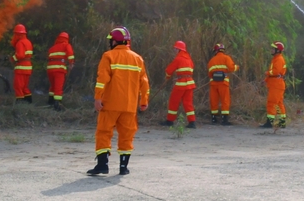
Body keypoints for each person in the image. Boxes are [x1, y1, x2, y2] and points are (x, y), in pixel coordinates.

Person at [88, 26, 149, 176]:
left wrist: (97, 98)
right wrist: (144, 101)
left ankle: (102, 165)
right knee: (127, 135)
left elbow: (102, 79)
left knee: (103, 132)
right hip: (129, 106)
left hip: (110, 104)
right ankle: (123, 167)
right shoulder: (138, 58)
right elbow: (145, 82)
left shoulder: (108, 56)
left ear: (114, 41)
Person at [163, 40, 196, 128]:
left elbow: (169, 70)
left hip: (181, 84)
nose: (174, 51)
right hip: (190, 84)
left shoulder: (178, 59)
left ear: (179, 50)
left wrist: (167, 77)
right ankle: (192, 122)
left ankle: (170, 121)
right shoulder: (189, 59)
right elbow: (190, 70)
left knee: (174, 101)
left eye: (175, 49)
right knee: (188, 103)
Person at [207, 43, 238, 125]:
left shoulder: (212, 60)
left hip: (213, 84)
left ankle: (214, 118)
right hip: (223, 83)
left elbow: (210, 74)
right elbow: (231, 68)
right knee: (225, 100)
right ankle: (224, 119)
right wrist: (236, 67)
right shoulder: (226, 58)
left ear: (216, 51)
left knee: (214, 101)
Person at [46, 32, 75, 110]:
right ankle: (57, 105)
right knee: (58, 87)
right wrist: (71, 63)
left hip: (50, 69)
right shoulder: (66, 45)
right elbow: (70, 54)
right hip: (59, 69)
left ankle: (50, 101)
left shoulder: (52, 48)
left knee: (53, 86)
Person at [262, 42, 288, 129]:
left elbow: (276, 72)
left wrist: (267, 72)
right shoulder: (276, 59)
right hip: (276, 84)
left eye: (273, 49)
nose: (271, 50)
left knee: (272, 103)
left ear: (277, 50)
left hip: (276, 85)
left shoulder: (279, 59)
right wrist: (266, 80)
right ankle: (282, 122)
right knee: (279, 103)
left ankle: (269, 122)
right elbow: (273, 74)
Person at [10, 24, 34, 103]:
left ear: (17, 34)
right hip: (28, 67)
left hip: (21, 68)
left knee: (18, 86)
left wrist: (13, 59)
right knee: (24, 87)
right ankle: (28, 102)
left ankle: (20, 103)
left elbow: (20, 55)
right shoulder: (28, 42)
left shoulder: (20, 43)